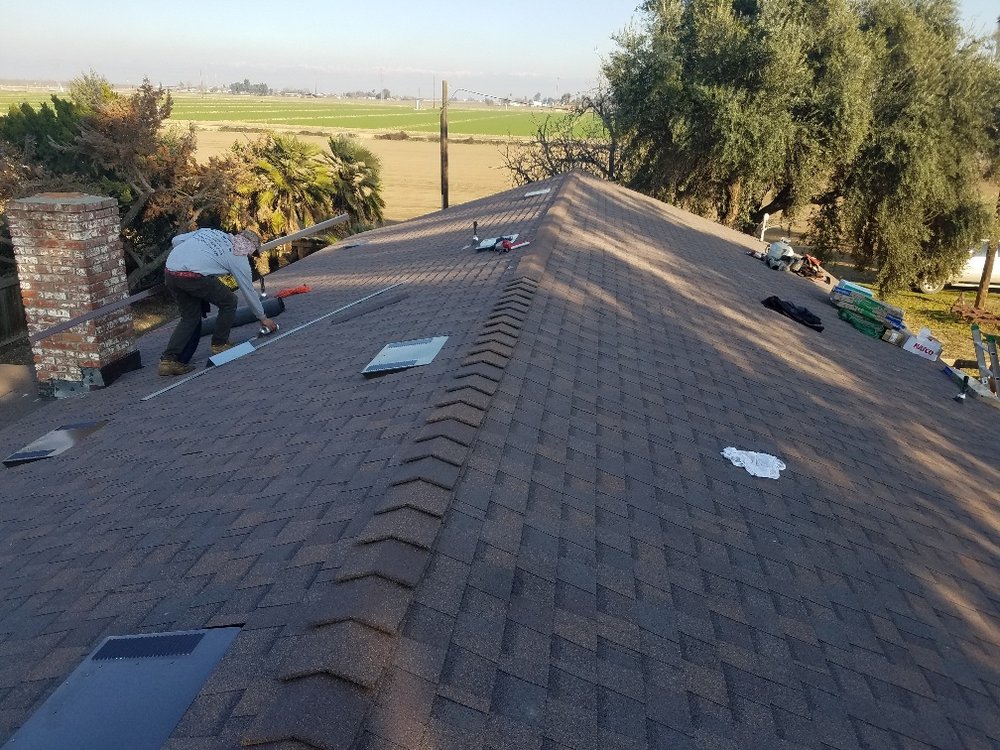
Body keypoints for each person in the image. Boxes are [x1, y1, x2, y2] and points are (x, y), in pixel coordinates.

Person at [158, 228, 278, 376]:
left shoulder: (211, 232)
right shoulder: (238, 257)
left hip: (171, 271)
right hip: (193, 276)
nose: (249, 255)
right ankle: (219, 344)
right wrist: (262, 317)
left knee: (190, 317)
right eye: (251, 253)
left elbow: (175, 240)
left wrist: (188, 258)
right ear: (250, 248)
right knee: (229, 301)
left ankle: (168, 361)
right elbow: (248, 290)